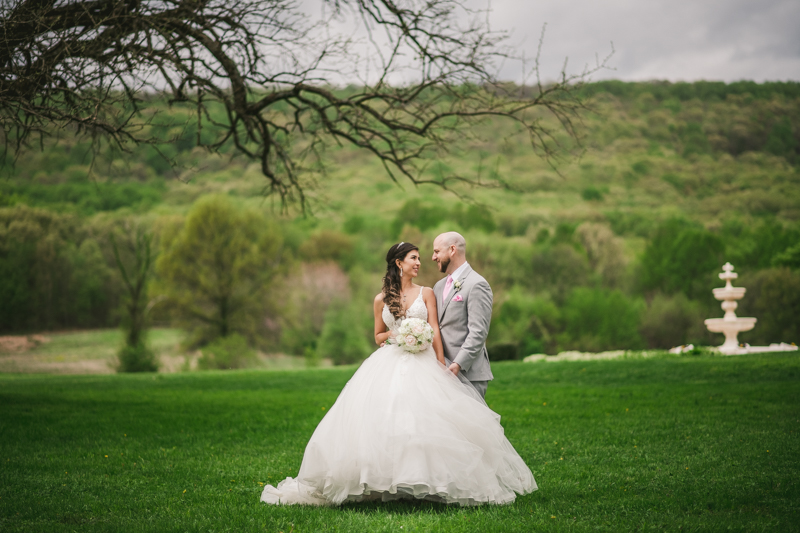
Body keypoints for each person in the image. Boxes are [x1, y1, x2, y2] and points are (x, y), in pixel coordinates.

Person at [260, 242, 535, 506]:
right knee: (383, 418)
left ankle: (430, 484)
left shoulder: (427, 292)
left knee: (428, 420)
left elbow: (436, 329)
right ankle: (382, 481)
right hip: (389, 361)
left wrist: (441, 363)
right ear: (399, 263)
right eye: (414, 257)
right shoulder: (381, 298)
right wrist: (397, 334)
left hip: (424, 361)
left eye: (420, 257)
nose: (419, 262)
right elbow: (378, 335)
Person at [432, 232, 493, 398]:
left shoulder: (477, 284)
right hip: (441, 372)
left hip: (469, 374)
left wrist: (458, 363)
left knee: (471, 424)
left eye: (437, 252)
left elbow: (478, 332)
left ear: (452, 250)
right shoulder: (438, 286)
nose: (433, 257)